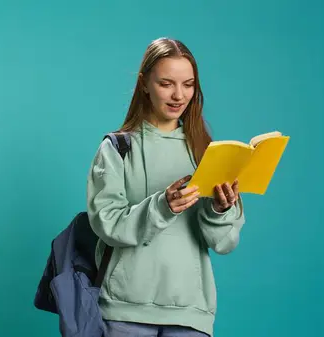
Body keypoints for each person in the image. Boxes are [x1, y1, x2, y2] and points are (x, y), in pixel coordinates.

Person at [86, 37, 245, 337]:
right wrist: (163, 206)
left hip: (191, 313)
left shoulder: (207, 152)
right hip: (124, 310)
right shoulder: (118, 148)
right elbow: (106, 223)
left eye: (188, 84)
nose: (178, 95)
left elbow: (225, 242)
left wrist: (219, 210)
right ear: (144, 83)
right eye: (166, 83)